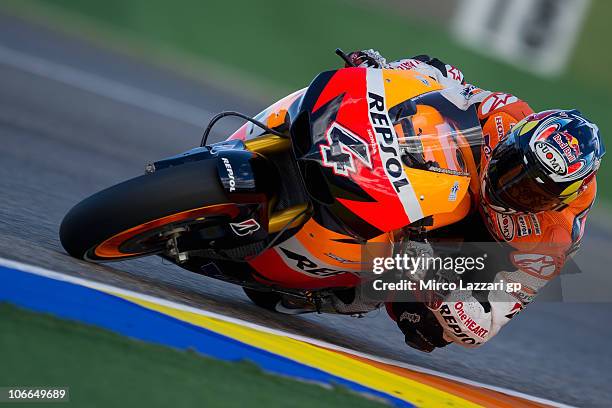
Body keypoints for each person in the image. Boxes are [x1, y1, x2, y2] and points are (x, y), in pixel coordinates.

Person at [344, 50, 606, 352]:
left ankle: (359, 286)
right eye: (512, 166)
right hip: (461, 174)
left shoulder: (552, 240)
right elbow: (444, 77)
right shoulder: (507, 113)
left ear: (558, 201)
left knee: (428, 329)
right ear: (514, 137)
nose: (511, 187)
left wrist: (435, 279)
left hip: (483, 244)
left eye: (532, 194)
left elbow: (481, 328)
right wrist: (384, 70)